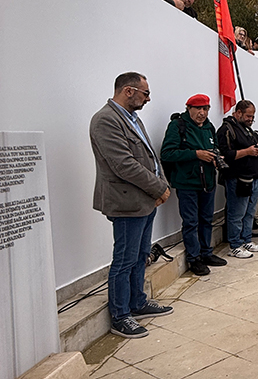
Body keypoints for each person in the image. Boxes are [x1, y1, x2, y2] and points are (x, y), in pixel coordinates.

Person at [90, 72, 173, 338]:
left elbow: (149, 157)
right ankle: (120, 315)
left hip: (144, 201)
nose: (148, 99)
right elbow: (124, 165)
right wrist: (159, 187)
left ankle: (137, 303)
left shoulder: (132, 118)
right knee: (124, 260)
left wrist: (162, 184)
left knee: (140, 255)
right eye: (145, 93)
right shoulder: (105, 120)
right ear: (128, 91)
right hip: (125, 202)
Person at [160, 94, 227, 276]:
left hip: (208, 181)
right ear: (188, 108)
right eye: (198, 108)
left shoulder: (209, 127)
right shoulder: (178, 125)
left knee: (206, 219)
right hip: (187, 182)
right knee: (191, 222)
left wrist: (215, 158)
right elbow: (167, 153)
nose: (202, 113)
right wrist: (195, 154)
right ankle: (194, 258)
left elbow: (214, 148)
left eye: (205, 108)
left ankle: (206, 253)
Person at [217, 100, 258, 258]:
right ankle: (235, 244)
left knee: (249, 213)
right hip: (237, 179)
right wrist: (247, 152)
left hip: (253, 178)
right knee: (236, 214)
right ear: (238, 113)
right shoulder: (227, 130)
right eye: (248, 116)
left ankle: (246, 239)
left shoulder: (247, 130)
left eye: (252, 116)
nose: (251, 119)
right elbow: (225, 155)